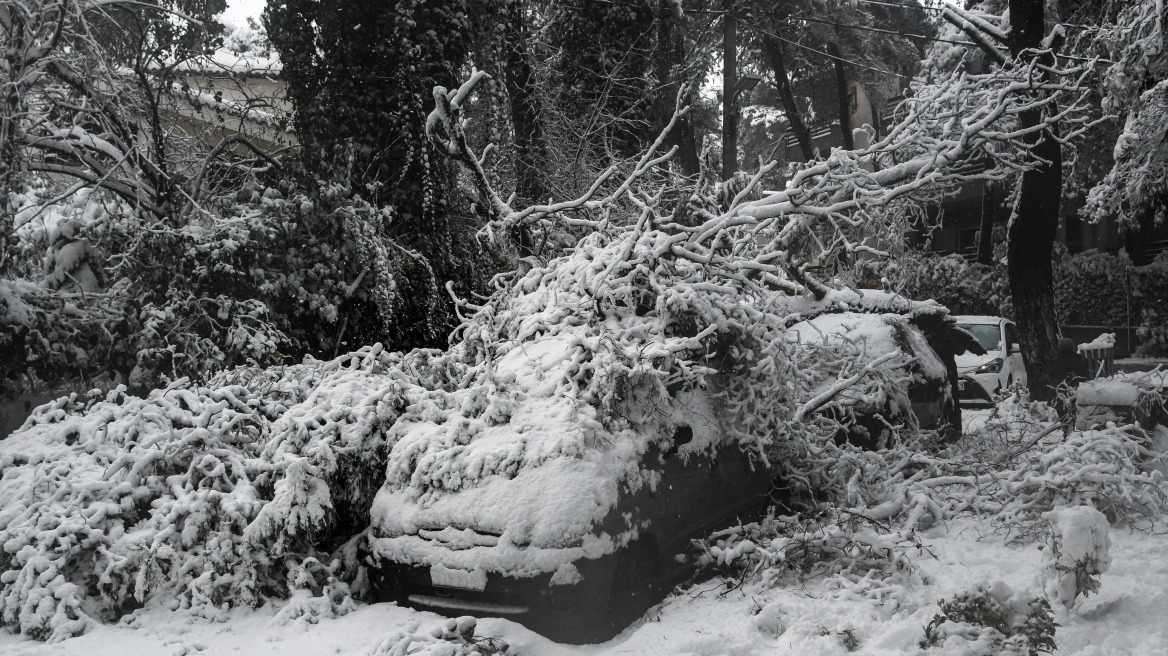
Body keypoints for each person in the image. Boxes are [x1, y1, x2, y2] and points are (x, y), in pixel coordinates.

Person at [929, 320, 988, 439]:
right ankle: (954, 432)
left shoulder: (926, 334)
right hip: (947, 372)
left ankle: (947, 431)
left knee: (943, 403)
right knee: (952, 404)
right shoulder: (953, 334)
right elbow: (963, 347)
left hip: (932, 372)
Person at [1047, 337, 1090, 433]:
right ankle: (1075, 430)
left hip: (1059, 393)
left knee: (1062, 413)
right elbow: (1084, 375)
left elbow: (1050, 375)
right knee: (1076, 413)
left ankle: (1065, 431)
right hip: (1077, 391)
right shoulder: (1080, 360)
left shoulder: (1056, 361)